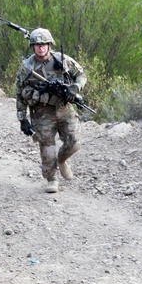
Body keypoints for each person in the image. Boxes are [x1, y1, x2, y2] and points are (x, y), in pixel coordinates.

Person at [15, 28, 87, 193]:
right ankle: (52, 179)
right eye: (37, 45)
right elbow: (19, 92)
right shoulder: (27, 67)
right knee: (47, 148)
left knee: (74, 143)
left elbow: (81, 75)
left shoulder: (62, 60)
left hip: (64, 107)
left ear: (49, 45)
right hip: (42, 112)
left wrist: (74, 88)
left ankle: (61, 160)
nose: (41, 48)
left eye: (44, 44)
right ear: (32, 46)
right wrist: (22, 119)